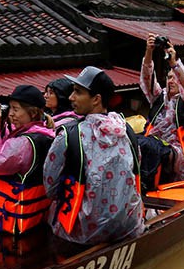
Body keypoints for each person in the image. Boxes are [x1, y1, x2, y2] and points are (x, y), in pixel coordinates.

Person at [43, 66, 144, 245]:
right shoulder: (126, 130)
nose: (71, 97)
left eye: (78, 92)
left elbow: (50, 187)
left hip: (83, 232)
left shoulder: (68, 135)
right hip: (128, 224)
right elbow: (137, 166)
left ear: (96, 99)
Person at [0, 84, 57, 235]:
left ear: (33, 112)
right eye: (10, 109)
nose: (11, 114)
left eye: (15, 109)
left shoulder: (23, 143)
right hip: (35, 207)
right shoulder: (46, 132)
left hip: (12, 212)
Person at [140, 34, 184, 181]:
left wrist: (174, 63)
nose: (172, 81)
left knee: (152, 149)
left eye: (175, 77)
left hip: (177, 152)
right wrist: (149, 52)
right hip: (153, 144)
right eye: (169, 78)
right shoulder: (158, 97)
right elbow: (147, 77)